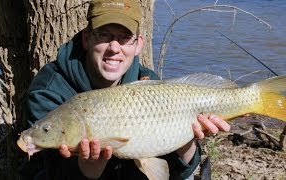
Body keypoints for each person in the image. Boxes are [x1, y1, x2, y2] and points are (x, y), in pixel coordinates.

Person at [21, 0, 231, 179]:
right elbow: (42, 172)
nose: (114, 48)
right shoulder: (49, 91)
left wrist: (186, 143)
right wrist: (88, 171)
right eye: (104, 35)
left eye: (124, 37)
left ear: (138, 45)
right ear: (86, 38)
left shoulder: (147, 82)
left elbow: (173, 173)